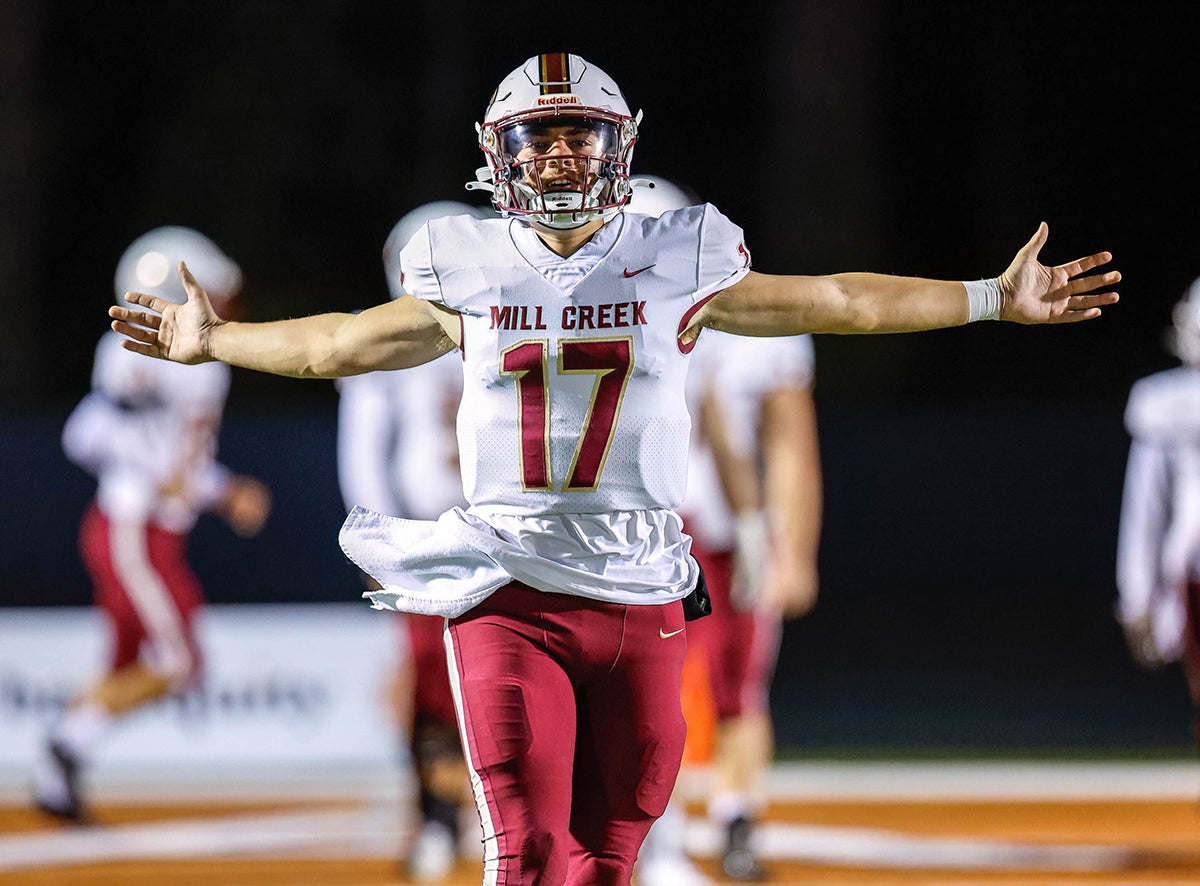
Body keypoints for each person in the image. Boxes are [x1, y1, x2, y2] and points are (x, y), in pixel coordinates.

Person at [108, 53, 1118, 886]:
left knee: (612, 856)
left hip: (640, 585)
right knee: (525, 849)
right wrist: (216, 345)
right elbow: (339, 345)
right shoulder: (467, 261)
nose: (554, 155)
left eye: (576, 135)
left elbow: (840, 301)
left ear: (617, 149)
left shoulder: (676, 252)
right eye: (535, 137)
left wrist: (988, 296)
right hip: (508, 582)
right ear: (498, 158)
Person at [34, 226, 272, 823]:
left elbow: (181, 463)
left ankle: (59, 761)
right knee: (180, 661)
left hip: (153, 530)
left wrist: (222, 491)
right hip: (131, 529)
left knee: (127, 666)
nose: (219, 301)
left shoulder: (206, 362)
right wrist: (159, 473)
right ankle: (61, 747)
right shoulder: (130, 352)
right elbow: (85, 433)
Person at [629, 177, 821, 885]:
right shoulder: (598, 314)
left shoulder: (734, 321)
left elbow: (781, 440)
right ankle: (662, 843)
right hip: (642, 535)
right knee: (657, 691)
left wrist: (783, 542)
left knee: (737, 685)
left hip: (708, 533)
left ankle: (734, 817)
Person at [336, 199, 488, 880]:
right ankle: (435, 814)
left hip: (501, 533)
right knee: (433, 688)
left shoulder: (510, 323)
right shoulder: (385, 340)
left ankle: (498, 811)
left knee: (504, 678)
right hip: (428, 537)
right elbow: (364, 452)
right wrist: (379, 541)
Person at [1116, 277, 1200, 755]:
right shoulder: (1167, 406)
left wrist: (1136, 597)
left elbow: (1144, 508)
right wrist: (1137, 595)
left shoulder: (1165, 404)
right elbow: (1146, 506)